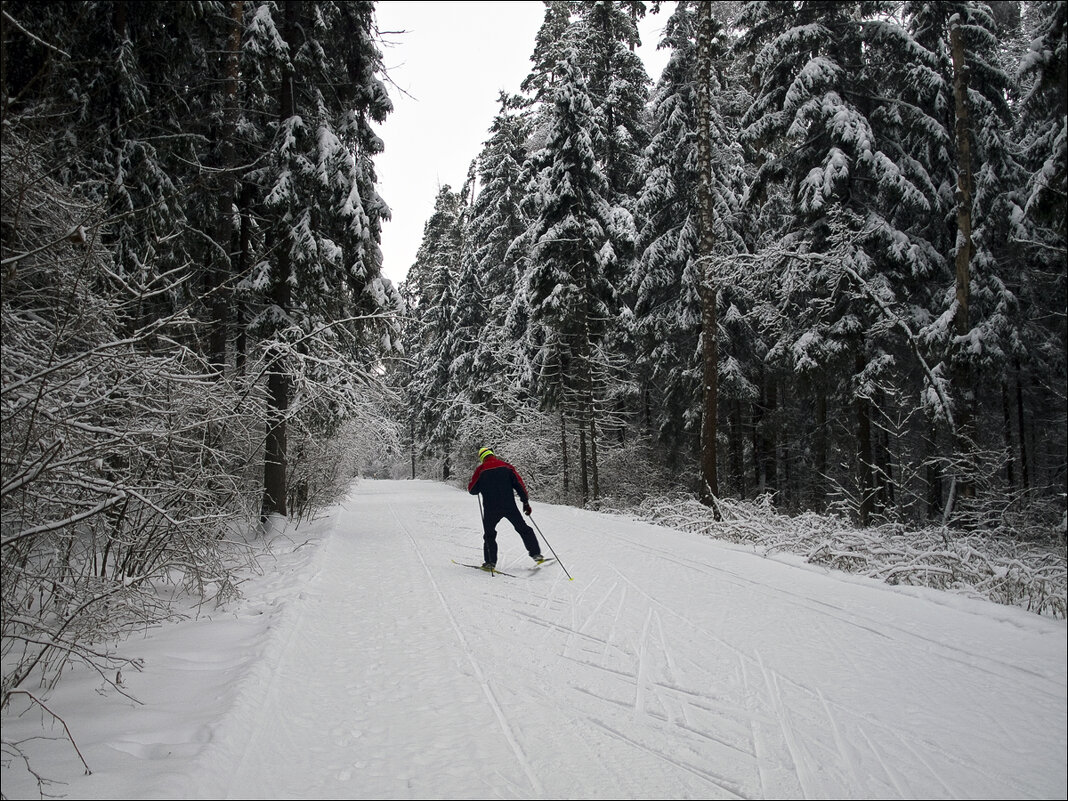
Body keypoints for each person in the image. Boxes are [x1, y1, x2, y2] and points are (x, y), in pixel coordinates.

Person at [467, 446, 546, 570]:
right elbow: (519, 485)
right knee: (523, 529)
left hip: (490, 508)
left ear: (482, 457)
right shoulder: (507, 466)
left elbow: (472, 490)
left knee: (489, 534)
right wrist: (525, 502)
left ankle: (490, 562)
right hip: (509, 506)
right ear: (493, 454)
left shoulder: (481, 470)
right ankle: (536, 554)